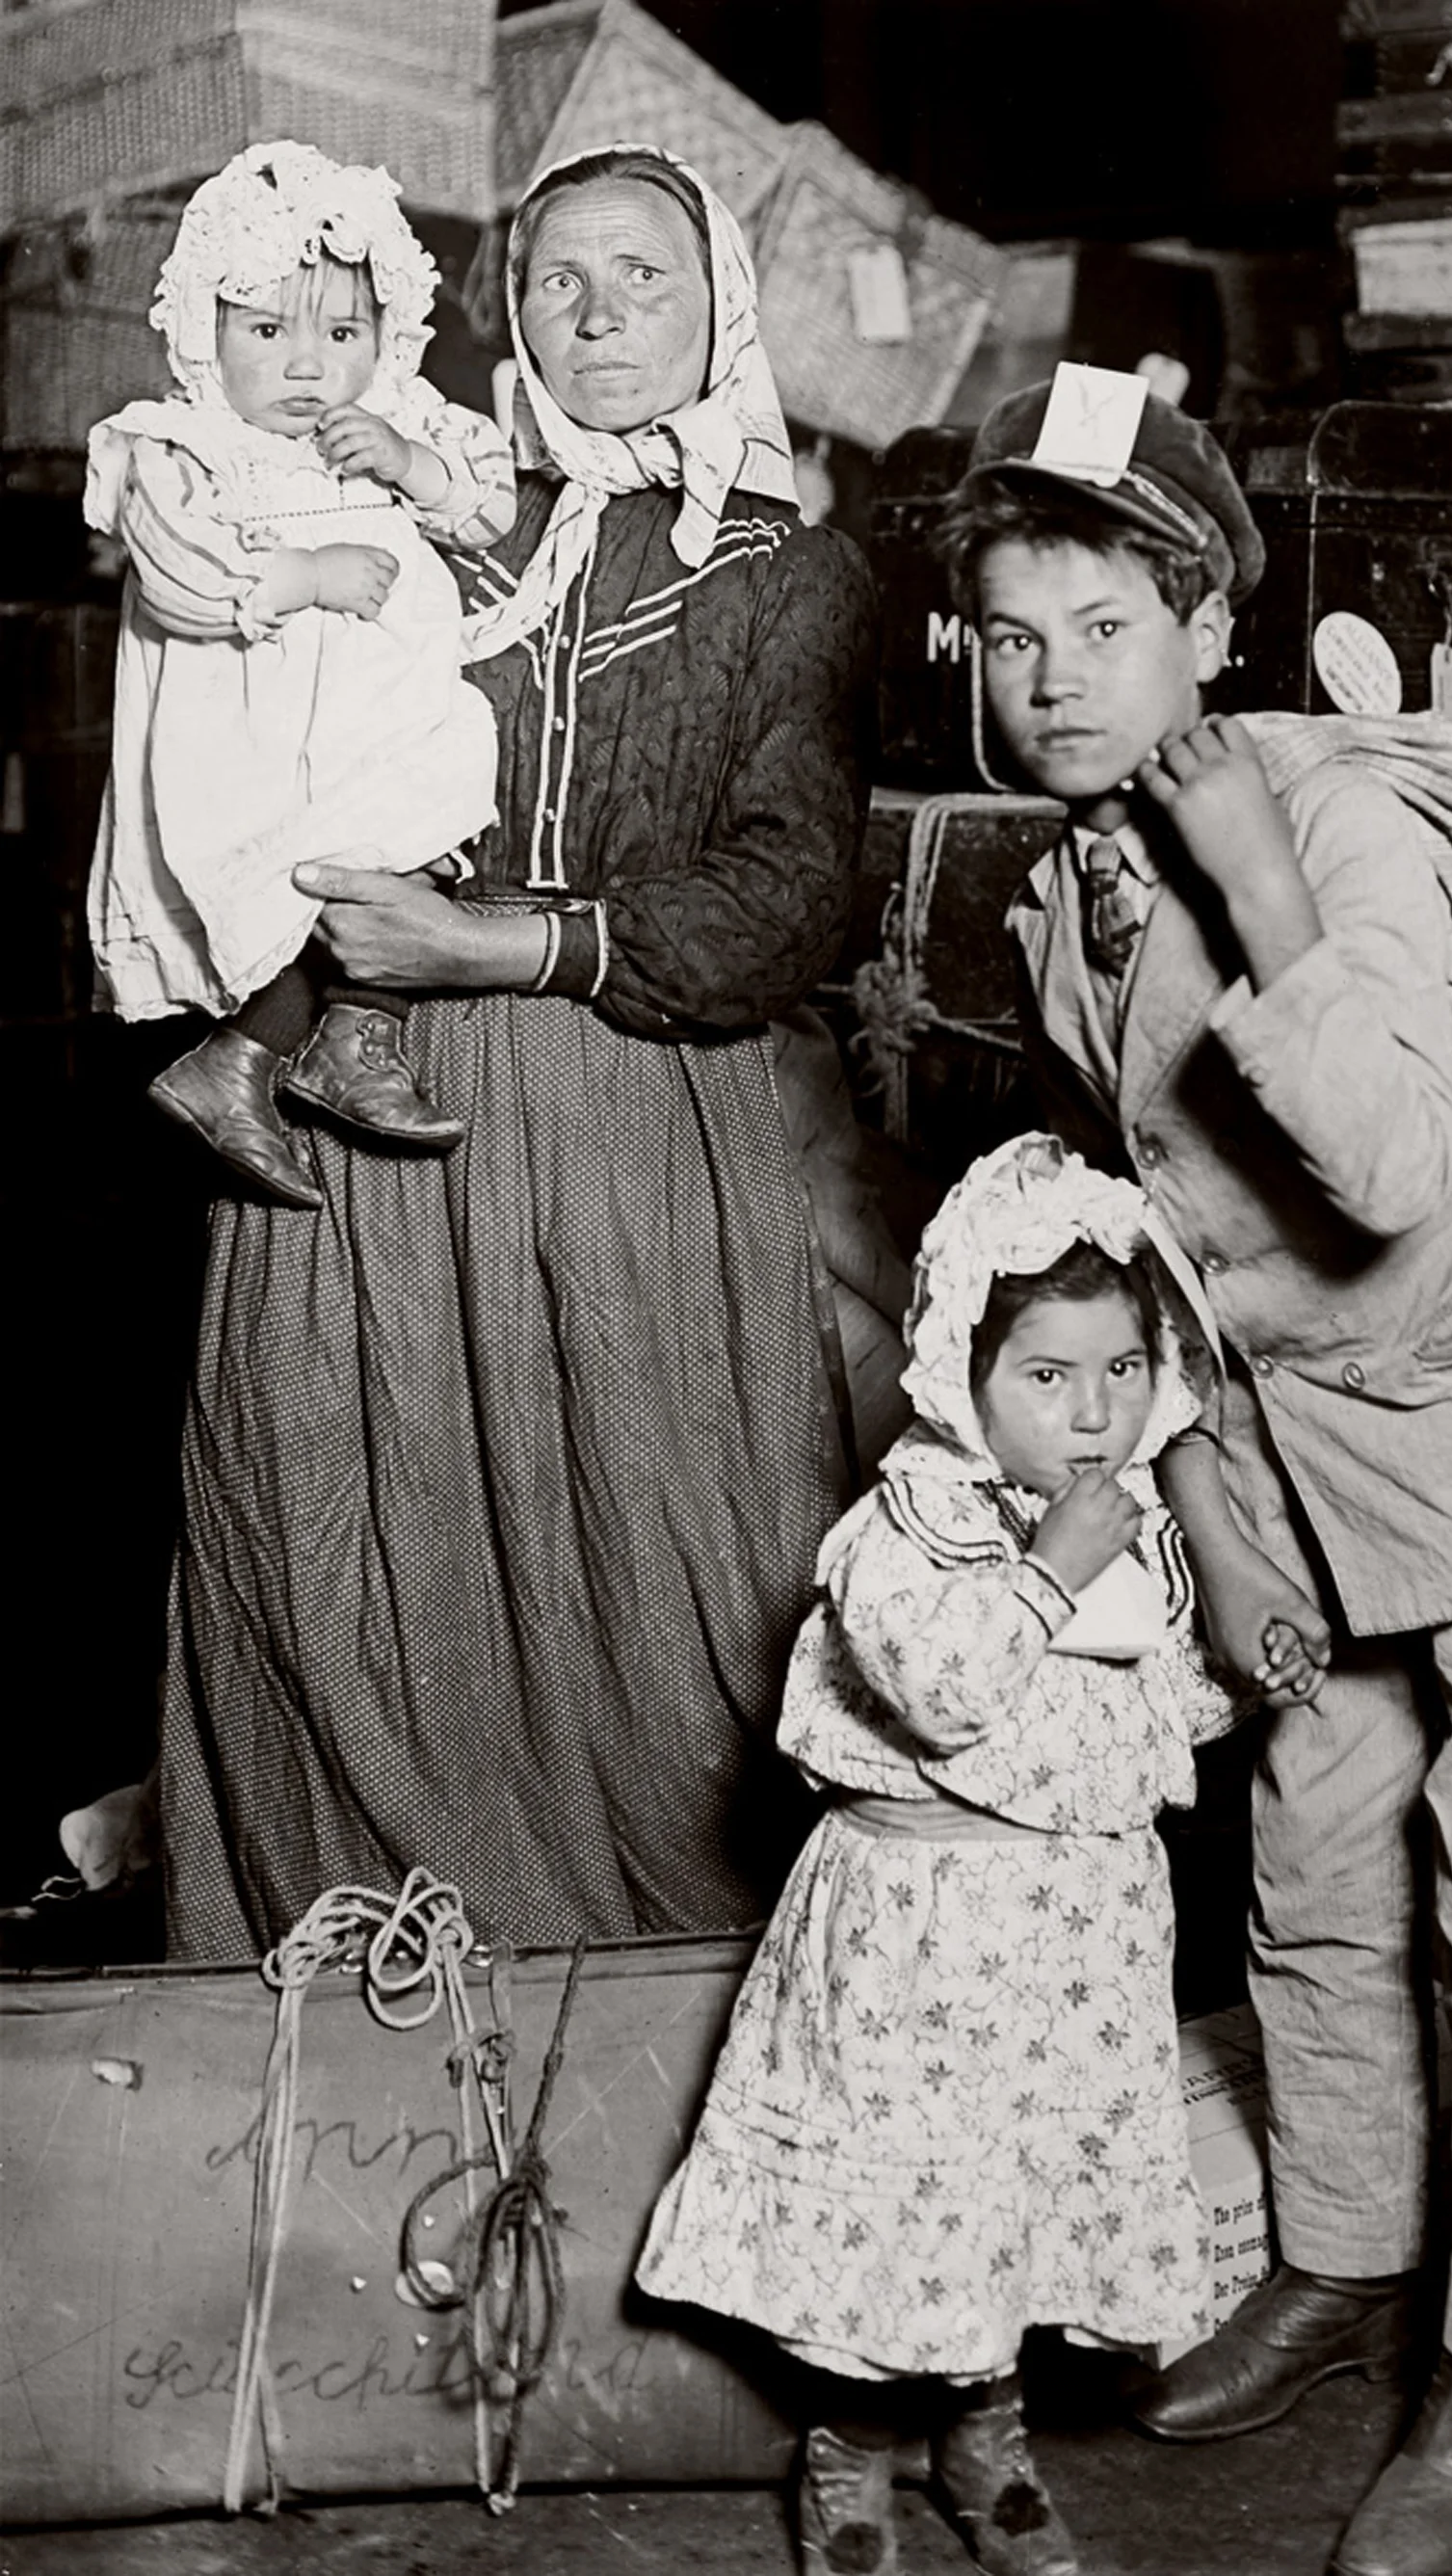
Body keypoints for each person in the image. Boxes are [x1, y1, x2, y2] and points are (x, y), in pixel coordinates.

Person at [931, 374, 1452, 2576]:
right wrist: (1197, 1509)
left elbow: (1374, 1157)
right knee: (1307, 1876)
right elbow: (1142, 1240)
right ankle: (1350, 2248)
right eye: (1009, 632)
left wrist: (1265, 885)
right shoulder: (1050, 890)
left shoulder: (1335, 821)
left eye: (1100, 620)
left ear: (1207, 622)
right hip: (1287, 1459)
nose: (1053, 673)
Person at [156, 144, 877, 1959]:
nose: (601, 311)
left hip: (631, 1109)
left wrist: (497, 937)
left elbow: (789, 896)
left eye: (645, 273)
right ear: (507, 318)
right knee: (338, 1550)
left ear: (721, 303)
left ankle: (678, 2017)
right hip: (360, 1106)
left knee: (669, 1575)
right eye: (559, 280)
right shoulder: (435, 518)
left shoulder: (793, 572)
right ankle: (351, 2010)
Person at [637, 1132, 1315, 2576]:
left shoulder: (1132, 1535)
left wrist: (1241, 1667)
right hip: (917, 1939)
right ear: (964, 1372)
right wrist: (1050, 1566)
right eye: (1048, 1378)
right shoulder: (904, 1529)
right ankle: (847, 2442)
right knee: (902, 2200)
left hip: (1065, 1945)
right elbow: (945, 1687)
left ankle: (984, 2433)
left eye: (1123, 1371)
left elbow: (1138, 1720)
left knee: (1012, 2197)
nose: (1092, 1415)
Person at [86, 140, 516, 1207]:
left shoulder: (395, 419)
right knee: (305, 881)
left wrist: (410, 465)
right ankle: (251, 1053)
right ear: (205, 331)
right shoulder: (184, 445)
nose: (306, 365)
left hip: (384, 717)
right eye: (266, 331)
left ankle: (326, 1043)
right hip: (259, 731)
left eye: (341, 332)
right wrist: (305, 572)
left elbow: (491, 506)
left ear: (387, 335)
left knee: (423, 827)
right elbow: (180, 578)